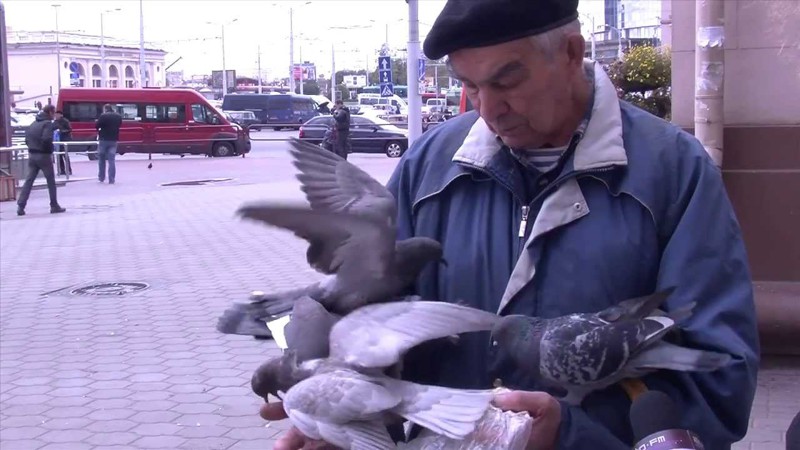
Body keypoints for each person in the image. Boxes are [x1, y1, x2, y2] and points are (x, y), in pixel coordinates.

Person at [259, 1, 760, 449]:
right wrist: (345, 420)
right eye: (469, 85)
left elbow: (719, 377)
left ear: (570, 52)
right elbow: (377, 343)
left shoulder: (673, 170)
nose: (487, 108)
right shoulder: (430, 165)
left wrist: (570, 435)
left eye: (506, 80)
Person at [16, 105, 66, 216]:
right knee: (50, 181)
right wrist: (48, 150)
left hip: (32, 154)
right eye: (53, 113)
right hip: (43, 155)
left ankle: (21, 205)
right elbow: (47, 138)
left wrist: (32, 147)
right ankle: (54, 205)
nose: (54, 115)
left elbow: (26, 139)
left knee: (29, 181)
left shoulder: (34, 124)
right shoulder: (47, 124)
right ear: (50, 112)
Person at [95, 103, 122, 184]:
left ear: (105, 109)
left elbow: (97, 126)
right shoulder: (118, 116)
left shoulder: (103, 116)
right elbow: (119, 125)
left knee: (101, 159)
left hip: (103, 139)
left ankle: (101, 177)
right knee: (112, 160)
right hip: (113, 140)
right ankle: (111, 179)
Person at [53, 110, 72, 176]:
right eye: (55, 115)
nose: (56, 116)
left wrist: (61, 131)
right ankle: (62, 170)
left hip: (64, 140)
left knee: (65, 155)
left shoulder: (65, 121)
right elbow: (52, 129)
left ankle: (69, 170)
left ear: (61, 115)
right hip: (58, 141)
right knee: (59, 156)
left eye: (57, 114)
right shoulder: (55, 122)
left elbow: (69, 129)